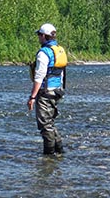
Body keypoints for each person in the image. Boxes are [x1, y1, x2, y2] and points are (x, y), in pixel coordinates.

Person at [27, 23, 67, 155]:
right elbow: (61, 73)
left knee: (45, 125)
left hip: (46, 92)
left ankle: (49, 156)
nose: (38, 37)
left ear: (44, 36)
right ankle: (59, 152)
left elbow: (39, 77)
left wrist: (32, 97)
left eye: (39, 34)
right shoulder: (59, 50)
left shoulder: (43, 54)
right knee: (50, 123)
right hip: (57, 91)